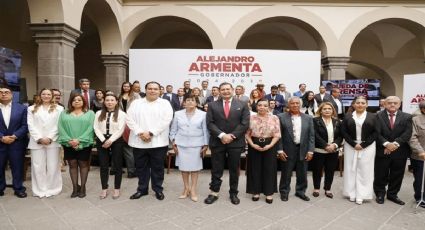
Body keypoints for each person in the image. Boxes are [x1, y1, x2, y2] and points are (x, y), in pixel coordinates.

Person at [204, 82, 250, 205]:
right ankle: (214, 192)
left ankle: (233, 193)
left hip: (235, 142)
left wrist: (232, 136)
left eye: (228, 89)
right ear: (219, 91)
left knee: (234, 169)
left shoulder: (243, 104)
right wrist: (222, 135)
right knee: (216, 169)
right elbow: (210, 123)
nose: (225, 91)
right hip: (217, 142)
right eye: (223, 89)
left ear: (233, 90)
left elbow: (245, 123)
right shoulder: (212, 105)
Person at [126, 81, 173, 200]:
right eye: (150, 88)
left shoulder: (165, 103)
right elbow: (129, 119)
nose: (152, 91)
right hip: (139, 141)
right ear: (145, 90)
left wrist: (151, 133)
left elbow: (166, 120)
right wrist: (140, 133)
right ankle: (142, 189)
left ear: (159, 91)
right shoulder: (136, 103)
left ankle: (158, 189)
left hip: (158, 142)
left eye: (155, 89)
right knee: (141, 167)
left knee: (158, 168)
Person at [169, 95, 209, 202]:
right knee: (184, 168)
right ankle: (186, 188)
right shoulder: (178, 114)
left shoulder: (203, 114)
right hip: (181, 144)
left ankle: (193, 189)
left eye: (193, 100)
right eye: (188, 100)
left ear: (196, 103)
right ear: (184, 103)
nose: (190, 102)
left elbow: (206, 131)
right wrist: (173, 143)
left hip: (196, 144)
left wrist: (206, 145)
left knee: (195, 168)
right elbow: (173, 130)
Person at [374, 96, 412, 205]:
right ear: (384, 104)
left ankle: (392, 194)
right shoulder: (377, 116)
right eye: (389, 103)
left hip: (400, 151)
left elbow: (407, 133)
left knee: (397, 174)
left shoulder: (407, 117)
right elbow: (376, 133)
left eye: (395, 103)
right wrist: (386, 144)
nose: (392, 105)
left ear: (399, 105)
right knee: (380, 173)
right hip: (382, 150)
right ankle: (380, 193)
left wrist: (394, 144)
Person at [277, 97, 315, 202]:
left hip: (303, 149)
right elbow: (278, 135)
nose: (295, 105)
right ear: (288, 105)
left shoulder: (308, 118)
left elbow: (311, 136)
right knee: (286, 172)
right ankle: (284, 192)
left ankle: (300, 192)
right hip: (287, 149)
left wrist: (310, 150)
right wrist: (280, 150)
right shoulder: (280, 117)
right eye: (292, 103)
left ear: (300, 105)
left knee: (302, 173)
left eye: (297, 103)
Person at [27, 88, 64, 198]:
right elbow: (30, 124)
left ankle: (53, 188)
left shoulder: (59, 108)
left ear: (52, 96)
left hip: (53, 141)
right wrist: (39, 138)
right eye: (44, 94)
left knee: (53, 166)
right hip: (36, 141)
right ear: (40, 95)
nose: (46, 96)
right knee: (38, 166)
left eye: (48, 94)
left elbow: (59, 125)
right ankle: (39, 190)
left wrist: (50, 138)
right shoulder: (31, 108)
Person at [58, 93, 95, 198]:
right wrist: (69, 140)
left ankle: (83, 187)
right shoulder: (64, 113)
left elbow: (91, 128)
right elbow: (60, 127)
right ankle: (75, 188)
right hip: (68, 143)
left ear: (84, 101)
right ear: (71, 102)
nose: (77, 101)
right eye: (74, 100)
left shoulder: (90, 113)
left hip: (85, 142)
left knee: (83, 165)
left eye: (79, 100)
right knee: (72, 164)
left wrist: (79, 140)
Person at [341, 96, 376, 205]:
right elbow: (343, 132)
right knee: (350, 169)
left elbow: (376, 132)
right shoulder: (347, 116)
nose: (360, 104)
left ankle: (362, 194)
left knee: (365, 170)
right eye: (358, 103)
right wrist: (354, 144)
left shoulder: (373, 116)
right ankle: (351, 193)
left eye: (362, 103)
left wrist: (363, 144)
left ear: (366, 105)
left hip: (368, 146)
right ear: (354, 104)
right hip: (351, 145)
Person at [245, 99, 281, 204]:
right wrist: (252, 144)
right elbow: (247, 134)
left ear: (268, 107)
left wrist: (270, 145)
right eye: (260, 105)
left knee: (269, 169)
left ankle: (269, 192)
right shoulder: (251, 118)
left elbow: (277, 134)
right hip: (254, 144)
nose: (262, 107)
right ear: (256, 107)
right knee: (254, 168)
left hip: (270, 143)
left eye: (265, 105)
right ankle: (255, 192)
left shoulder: (274, 118)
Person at [94, 94, 126, 200]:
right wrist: (104, 140)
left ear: (116, 102)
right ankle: (104, 188)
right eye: (107, 100)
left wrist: (111, 140)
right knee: (103, 166)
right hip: (102, 140)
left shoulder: (121, 114)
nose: (109, 102)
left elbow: (121, 129)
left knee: (117, 166)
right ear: (104, 102)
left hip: (116, 140)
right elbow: (96, 127)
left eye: (112, 100)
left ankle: (117, 188)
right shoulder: (98, 113)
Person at [0, 85, 28, 198]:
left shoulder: (22, 108)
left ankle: (18, 188)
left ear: (11, 94)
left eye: (6, 92)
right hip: (0, 142)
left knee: (17, 167)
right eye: (1, 92)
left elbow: (25, 126)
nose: (3, 94)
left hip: (16, 143)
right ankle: (0, 187)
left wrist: (15, 136)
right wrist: (1, 137)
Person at [311, 102, 342, 199]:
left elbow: (341, 135)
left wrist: (334, 145)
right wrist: (325, 145)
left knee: (330, 170)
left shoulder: (337, 121)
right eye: (325, 109)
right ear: (320, 110)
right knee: (317, 170)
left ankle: (328, 189)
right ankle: (316, 188)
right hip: (319, 150)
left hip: (333, 151)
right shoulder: (315, 121)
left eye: (329, 108)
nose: (327, 110)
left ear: (333, 110)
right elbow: (315, 135)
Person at [118, 82, 139, 178]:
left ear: (131, 87)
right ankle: (129, 170)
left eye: (128, 86)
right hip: (121, 121)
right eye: (124, 86)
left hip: (131, 122)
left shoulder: (136, 95)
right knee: (122, 146)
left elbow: (139, 110)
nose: (126, 87)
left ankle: (132, 170)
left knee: (129, 146)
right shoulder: (119, 95)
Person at [409, 100, 425, 208]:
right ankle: (420, 197)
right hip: (420, 155)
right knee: (420, 178)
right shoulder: (415, 120)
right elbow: (412, 138)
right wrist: (421, 151)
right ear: (423, 109)